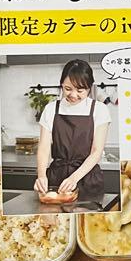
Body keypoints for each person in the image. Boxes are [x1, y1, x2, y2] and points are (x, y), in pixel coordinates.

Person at [34, 59, 109, 201]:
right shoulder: (51, 109)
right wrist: (42, 176)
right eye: (68, 89)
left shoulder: (99, 109)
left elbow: (96, 151)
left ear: (89, 88)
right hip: (56, 177)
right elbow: (43, 148)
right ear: (61, 84)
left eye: (80, 90)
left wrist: (74, 178)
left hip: (87, 178)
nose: (73, 95)